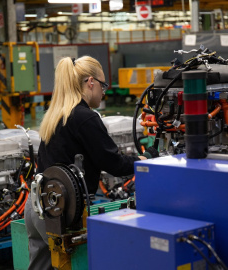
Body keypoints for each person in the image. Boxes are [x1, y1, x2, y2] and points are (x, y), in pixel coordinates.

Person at [24, 56, 159, 270]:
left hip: (37, 206)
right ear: (91, 82)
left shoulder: (56, 114)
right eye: (103, 85)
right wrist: (145, 159)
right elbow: (113, 163)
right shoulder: (85, 117)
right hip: (61, 212)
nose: (104, 91)